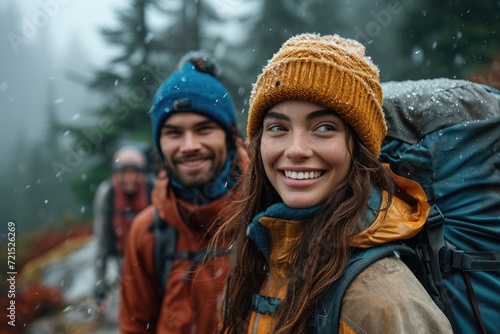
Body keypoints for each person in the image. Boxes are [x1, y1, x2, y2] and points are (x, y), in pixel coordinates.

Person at [214, 33, 454, 333]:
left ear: (360, 150)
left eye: (324, 127)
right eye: (278, 127)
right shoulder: (258, 262)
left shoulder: (382, 302)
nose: (296, 149)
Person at [119, 52, 248, 333]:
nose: (189, 145)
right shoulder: (148, 232)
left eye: (203, 129)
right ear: (159, 144)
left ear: (230, 135)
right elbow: (135, 325)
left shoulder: (269, 210)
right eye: (174, 133)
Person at [93, 145, 154, 311]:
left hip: (153, 257)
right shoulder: (107, 194)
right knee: (133, 305)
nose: (129, 178)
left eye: (134, 172)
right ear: (116, 174)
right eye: (124, 172)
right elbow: (102, 243)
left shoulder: (152, 189)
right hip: (123, 258)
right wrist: (100, 289)